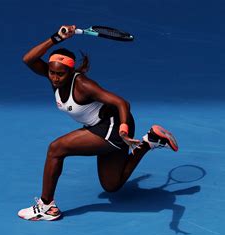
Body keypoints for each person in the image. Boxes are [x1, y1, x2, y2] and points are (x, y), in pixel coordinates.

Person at [17, 25, 178, 221]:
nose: (55, 78)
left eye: (61, 74)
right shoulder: (54, 77)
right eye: (51, 72)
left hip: (114, 126)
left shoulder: (83, 85)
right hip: (99, 127)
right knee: (111, 185)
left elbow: (122, 102)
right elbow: (28, 59)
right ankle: (150, 141)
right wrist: (57, 38)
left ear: (70, 70)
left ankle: (47, 206)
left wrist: (124, 130)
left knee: (56, 148)